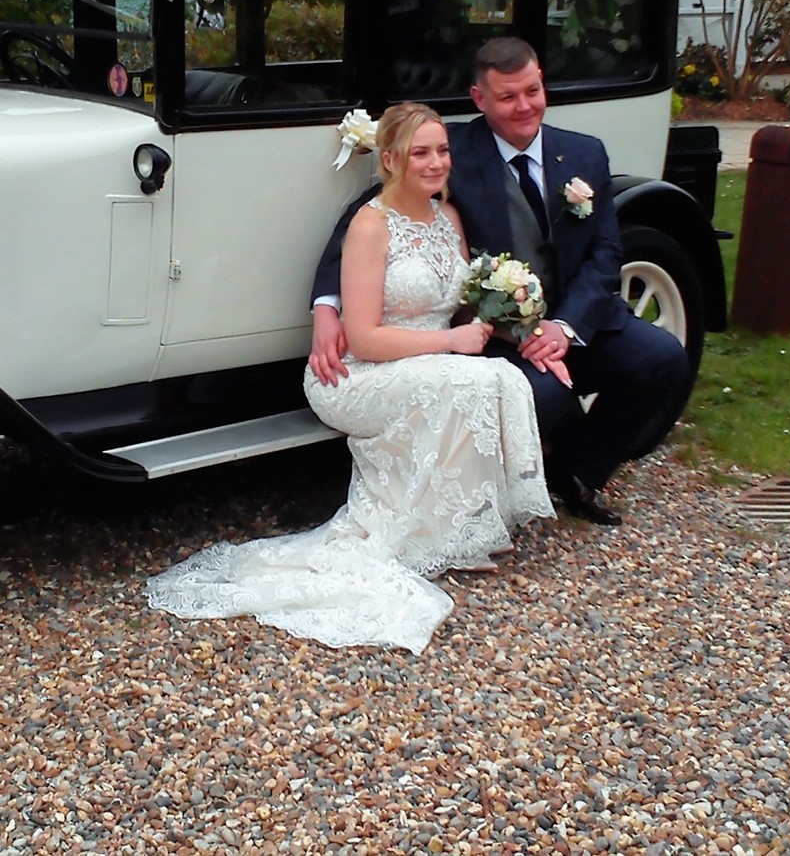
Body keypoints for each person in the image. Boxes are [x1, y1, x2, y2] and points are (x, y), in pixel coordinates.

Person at [147, 103, 553, 653]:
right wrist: (451, 343)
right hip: (358, 374)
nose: (436, 163)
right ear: (390, 160)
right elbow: (363, 338)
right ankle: (427, 534)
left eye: (442, 150)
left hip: (429, 360)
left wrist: (506, 315)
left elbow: (456, 307)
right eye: (420, 153)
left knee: (498, 376)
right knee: (468, 379)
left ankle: (462, 527)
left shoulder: (450, 219)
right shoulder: (370, 225)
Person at [310, 37, 691, 526]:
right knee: (545, 396)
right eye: (507, 97)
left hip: (576, 322)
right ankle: (512, 480)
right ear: (479, 98)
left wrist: (564, 327)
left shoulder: (585, 152)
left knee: (663, 358)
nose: (524, 106)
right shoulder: (450, 152)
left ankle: (579, 471)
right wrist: (326, 307)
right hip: (501, 334)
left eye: (532, 91)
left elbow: (605, 254)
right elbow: (365, 219)